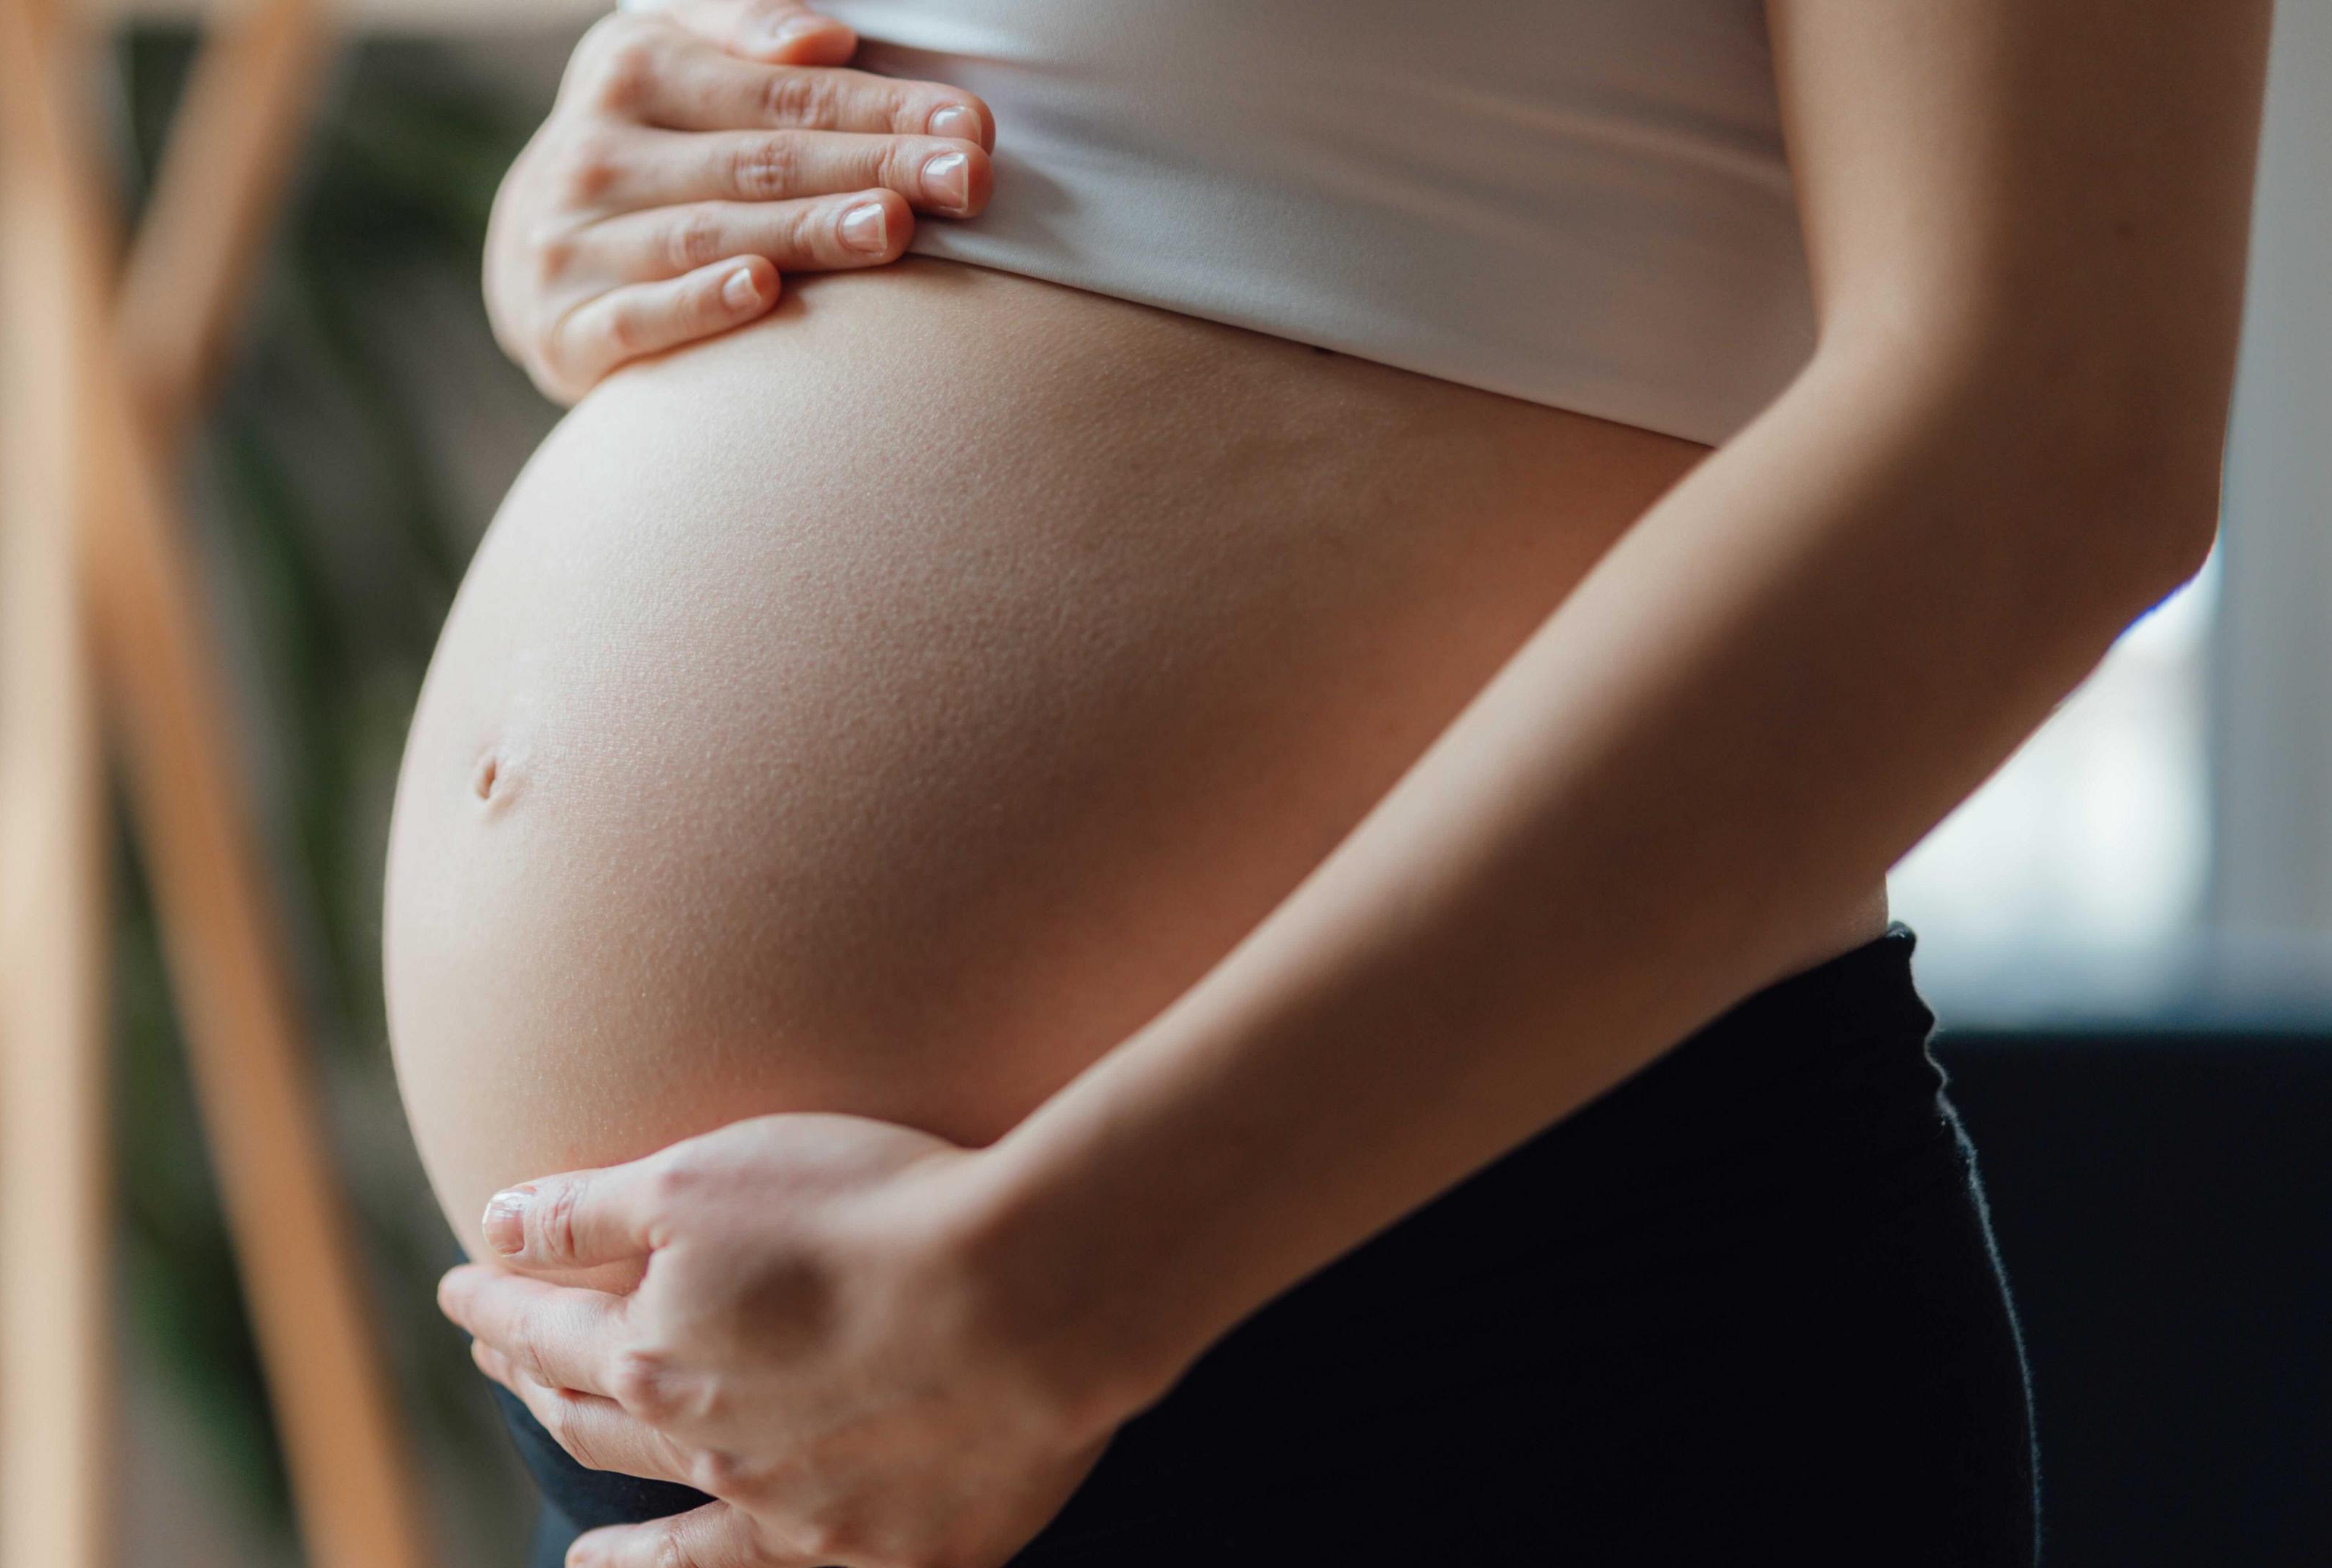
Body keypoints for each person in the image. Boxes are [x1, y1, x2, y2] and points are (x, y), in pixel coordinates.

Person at [384, 1, 2272, 1563]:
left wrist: (1054, 1299)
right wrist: (591, 191)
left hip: (1450, 1342)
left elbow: (2050, 432)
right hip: (815, 1404)